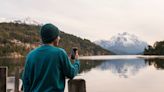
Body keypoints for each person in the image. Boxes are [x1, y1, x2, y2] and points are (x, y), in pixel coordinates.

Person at [22, 23, 80, 92]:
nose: (59, 38)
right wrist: (76, 61)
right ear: (54, 38)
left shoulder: (30, 55)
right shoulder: (60, 53)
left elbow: (26, 81)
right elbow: (71, 73)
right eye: (58, 36)